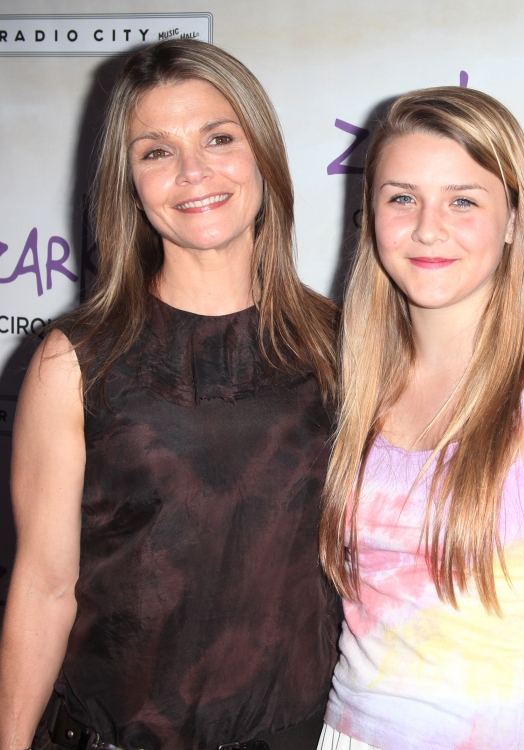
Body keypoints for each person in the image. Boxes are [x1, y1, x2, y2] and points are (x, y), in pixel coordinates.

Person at [0, 39, 340, 750]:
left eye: (219, 138)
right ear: (128, 181)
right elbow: (42, 589)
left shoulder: (340, 344)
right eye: (156, 151)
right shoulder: (76, 361)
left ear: (263, 155)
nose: (194, 172)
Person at [318, 87, 524, 750]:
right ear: (370, 217)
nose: (427, 227)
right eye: (401, 197)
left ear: (511, 221)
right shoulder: (355, 387)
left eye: (463, 200)